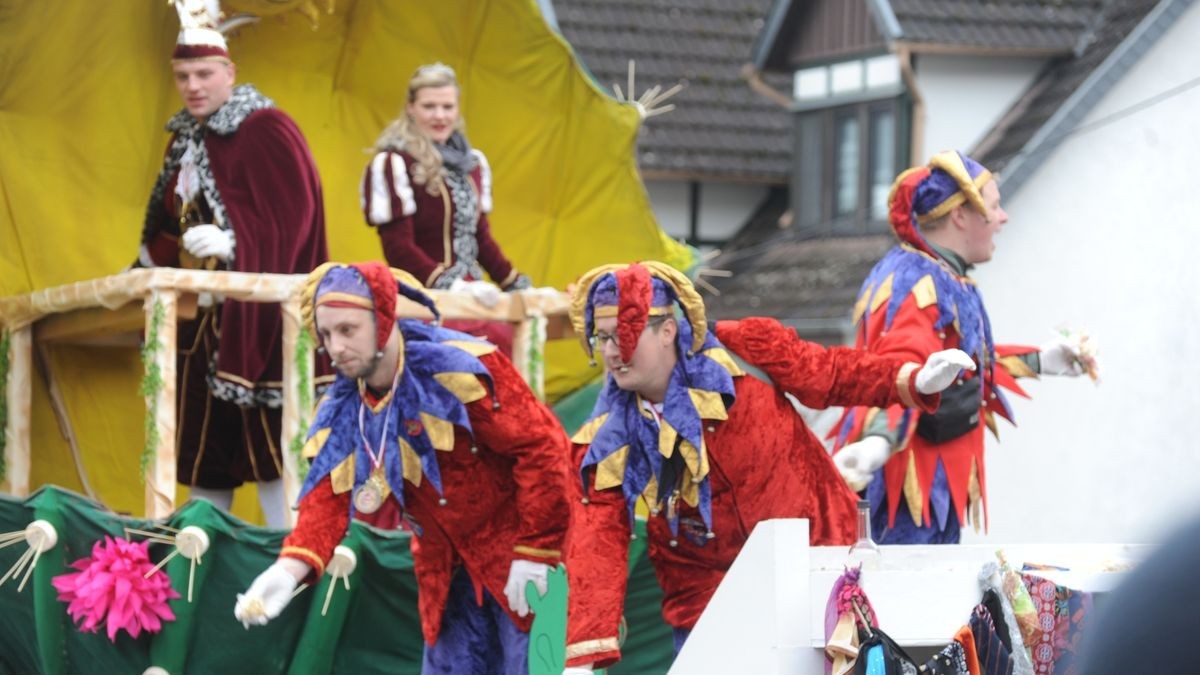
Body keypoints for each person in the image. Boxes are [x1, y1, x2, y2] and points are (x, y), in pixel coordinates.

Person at [560, 261, 974, 671]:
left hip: (813, 572)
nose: (611, 352)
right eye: (603, 337)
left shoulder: (743, 348)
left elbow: (829, 374)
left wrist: (914, 380)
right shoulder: (610, 434)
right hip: (706, 603)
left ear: (667, 330)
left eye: (622, 336)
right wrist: (582, 655)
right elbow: (597, 537)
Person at [234, 262, 570, 674]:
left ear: (384, 319)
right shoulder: (343, 410)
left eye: (347, 330)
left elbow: (544, 448)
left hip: (524, 561)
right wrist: (287, 570)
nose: (335, 347)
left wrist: (536, 549)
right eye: (326, 334)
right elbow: (327, 500)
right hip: (446, 583)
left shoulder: (460, 369)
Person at [134, 1, 330, 527]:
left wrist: (233, 242)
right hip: (204, 327)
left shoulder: (266, 128)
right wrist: (141, 273)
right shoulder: (185, 143)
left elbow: (296, 217)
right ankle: (195, 570)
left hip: (261, 322)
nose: (193, 85)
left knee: (274, 450)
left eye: (203, 74)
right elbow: (164, 225)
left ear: (229, 73)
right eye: (183, 76)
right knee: (206, 456)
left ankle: (297, 560)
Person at [831, 151, 1094, 544]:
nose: (1003, 217)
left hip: (928, 486)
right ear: (959, 216)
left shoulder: (939, 275)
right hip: (907, 487)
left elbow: (957, 366)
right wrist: (879, 439)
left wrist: (1040, 360)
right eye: (993, 206)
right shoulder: (918, 282)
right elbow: (903, 368)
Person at [360, 62, 532, 354]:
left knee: (519, 343)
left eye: (447, 106)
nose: (440, 116)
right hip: (423, 302)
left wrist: (517, 286)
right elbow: (398, 248)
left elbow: (482, 240)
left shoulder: (473, 164)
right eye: (429, 106)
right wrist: (453, 286)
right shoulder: (394, 163)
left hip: (474, 301)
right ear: (411, 108)